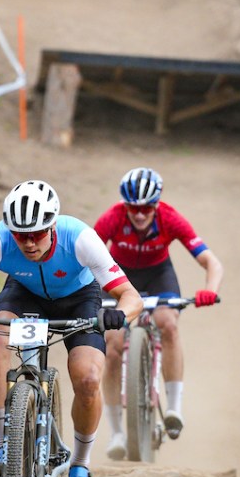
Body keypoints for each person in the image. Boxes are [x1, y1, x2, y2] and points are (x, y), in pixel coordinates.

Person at [0, 181, 142, 477]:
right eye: (21, 235)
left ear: (53, 225)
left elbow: (131, 297)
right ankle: (4, 444)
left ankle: (80, 466)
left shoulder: (80, 238)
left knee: (87, 378)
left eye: (38, 234)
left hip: (79, 300)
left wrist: (118, 314)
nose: (29, 243)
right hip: (24, 294)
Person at [92, 168, 223, 458]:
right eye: (134, 208)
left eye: (147, 208)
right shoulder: (112, 219)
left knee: (169, 324)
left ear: (157, 204)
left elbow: (211, 262)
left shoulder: (170, 218)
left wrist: (210, 290)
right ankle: (116, 433)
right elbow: (83, 259)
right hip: (119, 278)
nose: (140, 215)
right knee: (112, 346)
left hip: (158, 275)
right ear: (125, 206)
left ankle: (174, 408)